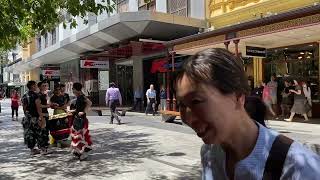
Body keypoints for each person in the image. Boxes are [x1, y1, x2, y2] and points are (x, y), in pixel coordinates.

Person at [176, 48, 320, 179]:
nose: (188, 118)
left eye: (196, 101)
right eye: (181, 104)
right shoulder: (209, 153)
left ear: (238, 97)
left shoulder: (299, 168)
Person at [22, 81, 48, 155]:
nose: (36, 86)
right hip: (35, 117)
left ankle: (32, 150)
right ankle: (43, 149)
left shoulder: (24, 95)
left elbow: (24, 108)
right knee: (39, 132)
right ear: (32, 86)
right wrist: (42, 118)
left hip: (27, 117)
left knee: (29, 133)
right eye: (35, 85)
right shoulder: (35, 95)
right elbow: (38, 107)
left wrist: (27, 115)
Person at [70, 82, 92, 160]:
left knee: (79, 136)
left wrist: (83, 111)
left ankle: (83, 153)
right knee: (76, 136)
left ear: (76, 89)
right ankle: (78, 152)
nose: (72, 90)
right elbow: (79, 108)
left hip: (80, 120)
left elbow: (89, 103)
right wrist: (74, 111)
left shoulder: (81, 96)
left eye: (73, 89)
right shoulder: (79, 97)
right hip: (77, 119)